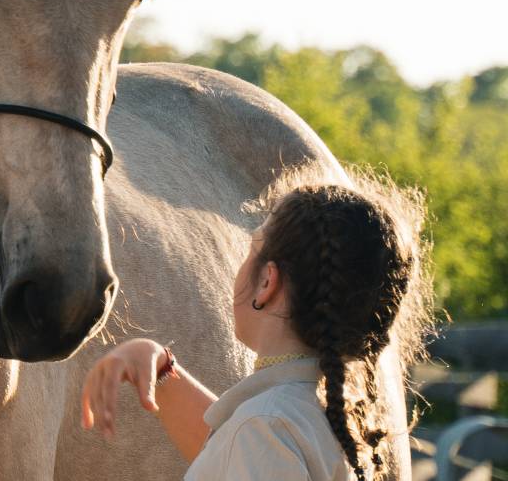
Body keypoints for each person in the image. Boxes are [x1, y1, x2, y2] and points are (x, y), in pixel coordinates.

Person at [81, 171, 431, 481]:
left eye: (253, 249)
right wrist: (161, 369)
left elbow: (251, 444)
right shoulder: (312, 415)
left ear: (267, 282)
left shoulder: (265, 428)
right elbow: (230, 454)